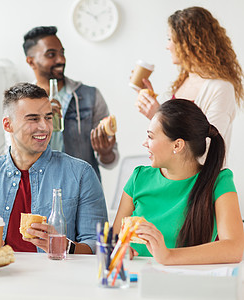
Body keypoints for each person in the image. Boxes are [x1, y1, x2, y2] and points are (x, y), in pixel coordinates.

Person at [0, 82, 108, 254]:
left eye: (48, 117)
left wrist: (63, 246)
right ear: (8, 125)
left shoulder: (81, 174)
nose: (44, 127)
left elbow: (98, 246)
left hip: (57, 279)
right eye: (33, 119)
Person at [113, 99, 244, 265]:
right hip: (133, 280)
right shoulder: (138, 178)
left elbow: (234, 248)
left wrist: (168, 256)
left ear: (177, 145)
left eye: (150, 137)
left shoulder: (219, 182)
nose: (145, 143)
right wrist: (121, 248)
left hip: (186, 283)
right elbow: (114, 238)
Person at [136, 6, 243, 162]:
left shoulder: (220, 88)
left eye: (170, 39)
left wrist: (158, 115)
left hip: (202, 184)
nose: (167, 46)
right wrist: (157, 114)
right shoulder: (183, 82)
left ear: (188, 43)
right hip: (174, 180)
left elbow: (207, 149)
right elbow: (173, 139)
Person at [23, 26, 119, 181]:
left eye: (62, 53)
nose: (61, 60)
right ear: (31, 61)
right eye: (51, 55)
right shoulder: (22, 103)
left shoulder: (90, 96)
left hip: (84, 192)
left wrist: (106, 152)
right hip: (38, 189)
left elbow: (110, 161)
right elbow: (16, 154)